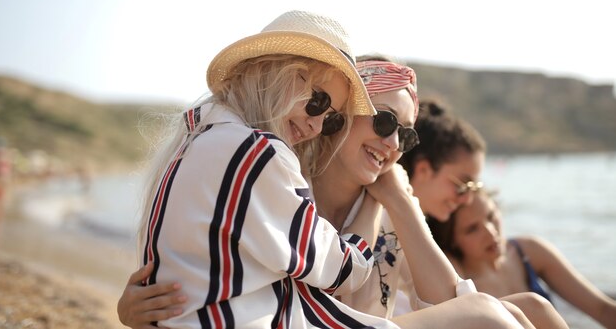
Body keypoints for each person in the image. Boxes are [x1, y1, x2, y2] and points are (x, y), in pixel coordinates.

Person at [119, 55, 539, 329]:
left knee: (526, 309)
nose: (394, 144)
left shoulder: (389, 204)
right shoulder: (283, 182)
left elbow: (446, 297)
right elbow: (205, 263)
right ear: (343, 118)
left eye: (407, 137)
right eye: (385, 121)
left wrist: (399, 201)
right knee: (496, 316)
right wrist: (133, 311)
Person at [428, 187, 616, 328]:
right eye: (472, 229)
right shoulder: (456, 278)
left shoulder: (528, 252)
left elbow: (601, 309)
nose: (490, 231)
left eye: (491, 216)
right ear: (452, 241)